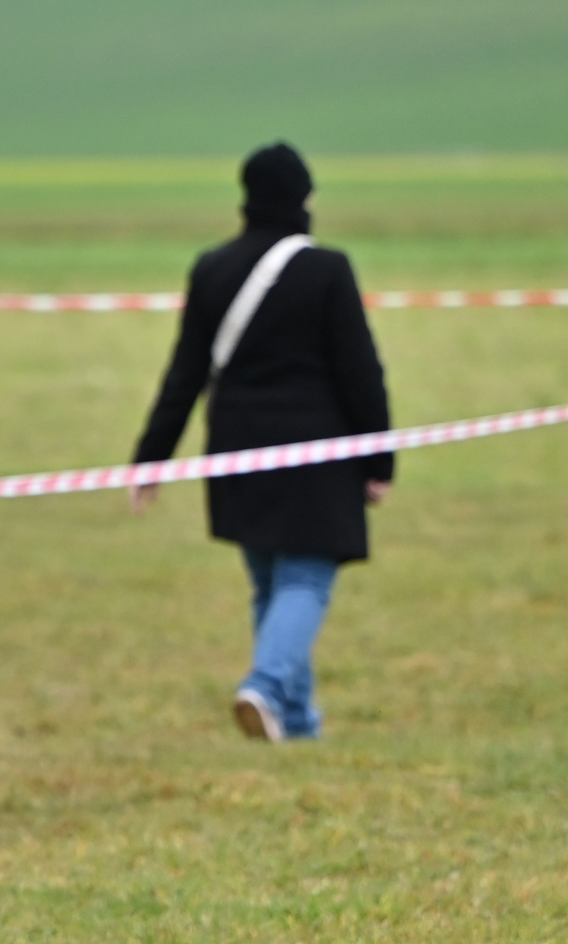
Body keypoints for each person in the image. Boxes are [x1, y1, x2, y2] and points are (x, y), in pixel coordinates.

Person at [130, 145, 392, 744]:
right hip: (316, 455)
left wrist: (151, 458)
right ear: (303, 197)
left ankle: (295, 722)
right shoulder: (328, 269)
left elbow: (185, 374)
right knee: (305, 580)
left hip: (237, 450)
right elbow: (361, 372)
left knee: (271, 582)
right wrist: (379, 459)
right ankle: (267, 688)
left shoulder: (212, 267)